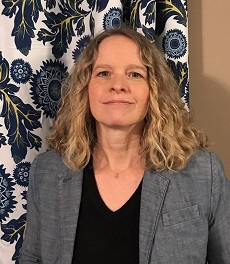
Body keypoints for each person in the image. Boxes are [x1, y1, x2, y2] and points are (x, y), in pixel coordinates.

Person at [19, 27, 230, 264]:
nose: (118, 85)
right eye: (104, 73)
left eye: (135, 74)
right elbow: (32, 258)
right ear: (84, 89)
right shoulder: (47, 172)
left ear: (154, 91)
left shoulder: (204, 174)